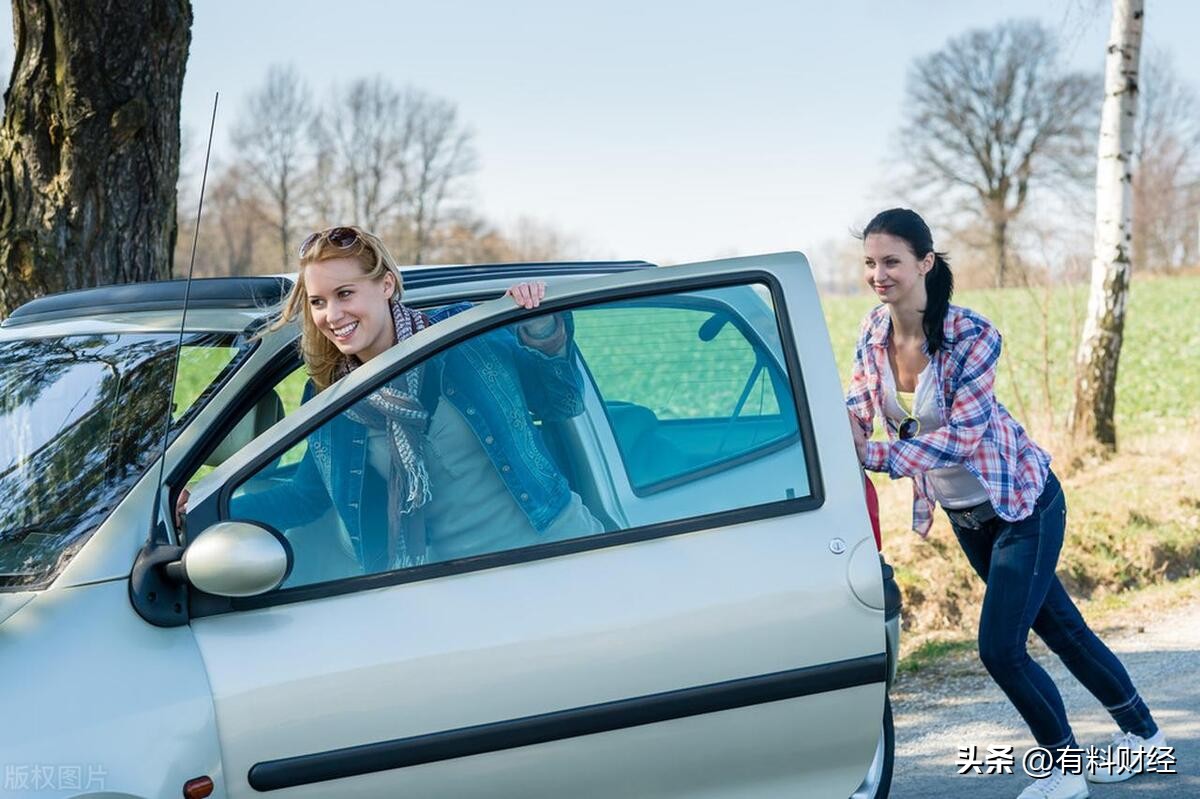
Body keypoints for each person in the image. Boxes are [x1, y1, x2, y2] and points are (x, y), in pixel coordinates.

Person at [845, 208, 1165, 799]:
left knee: (999, 649)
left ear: (924, 262)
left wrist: (879, 456)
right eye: (870, 262)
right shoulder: (872, 333)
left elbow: (961, 438)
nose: (878, 274)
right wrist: (832, 430)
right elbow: (859, 405)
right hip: (968, 518)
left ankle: (1065, 777)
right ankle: (1143, 735)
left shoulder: (972, 335)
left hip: (1023, 504)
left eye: (891, 261)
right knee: (1064, 630)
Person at [181, 225, 603, 571]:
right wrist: (203, 508)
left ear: (386, 285)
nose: (332, 315)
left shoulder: (461, 333)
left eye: (345, 294)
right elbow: (305, 497)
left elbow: (562, 404)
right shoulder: (333, 396)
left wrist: (543, 329)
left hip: (561, 548)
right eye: (318, 302)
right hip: (461, 583)